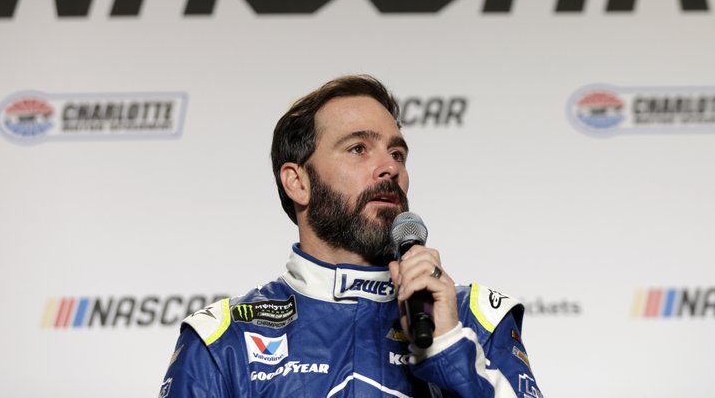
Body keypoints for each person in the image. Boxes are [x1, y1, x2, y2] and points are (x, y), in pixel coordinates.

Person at [159, 75, 543, 398]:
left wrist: (446, 347)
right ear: (298, 182)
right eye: (358, 148)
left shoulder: (478, 318)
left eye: (397, 153)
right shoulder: (223, 339)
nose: (389, 167)